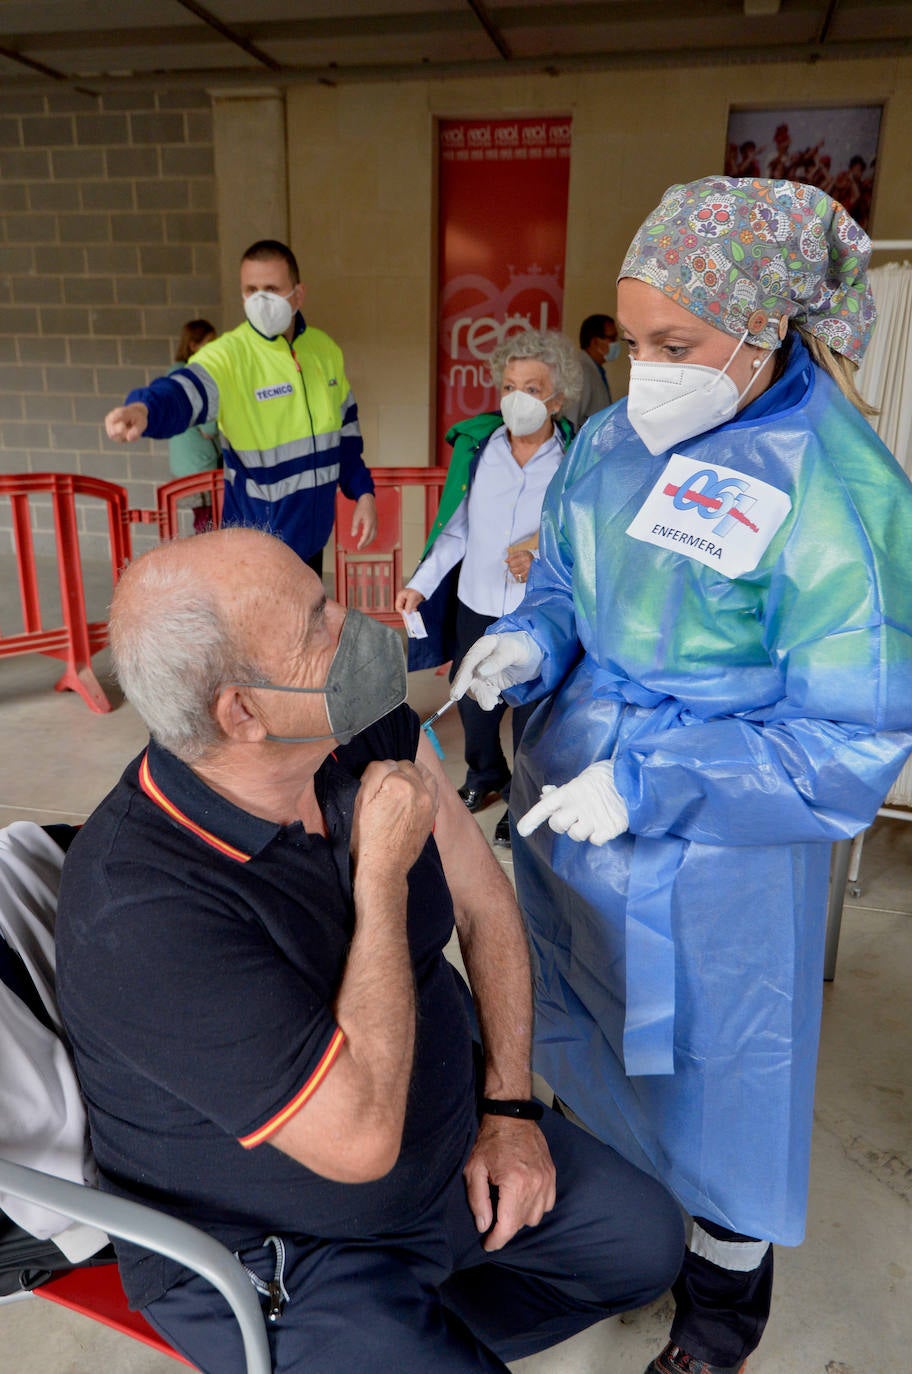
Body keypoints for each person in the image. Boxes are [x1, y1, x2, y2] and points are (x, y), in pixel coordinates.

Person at [450, 177, 912, 1374]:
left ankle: (717, 1325)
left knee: (716, 1092)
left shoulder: (840, 490)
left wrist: (652, 786)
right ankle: (620, 1241)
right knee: (579, 1038)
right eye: (633, 339)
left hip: (718, 853)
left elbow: (846, 739)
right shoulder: (613, 438)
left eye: (677, 345)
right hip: (570, 815)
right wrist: (530, 642)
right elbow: (564, 582)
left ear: (763, 334)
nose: (644, 370)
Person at [54, 527, 683, 1374]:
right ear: (241, 712)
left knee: (644, 1244)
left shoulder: (361, 724)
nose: (357, 624)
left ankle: (428, 1334)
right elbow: (357, 1144)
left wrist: (507, 1110)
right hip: (289, 1253)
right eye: (318, 625)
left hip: (452, 1144)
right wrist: (381, 876)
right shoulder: (140, 909)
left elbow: (484, 901)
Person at [395, 330, 581, 848]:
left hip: (536, 611)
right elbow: (455, 529)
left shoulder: (575, 459)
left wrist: (541, 553)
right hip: (476, 601)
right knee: (474, 702)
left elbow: (582, 533)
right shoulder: (480, 450)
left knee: (531, 713)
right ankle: (484, 777)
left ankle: (523, 797)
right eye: (509, 385)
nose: (518, 398)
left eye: (533, 387)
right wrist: (420, 585)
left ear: (557, 399)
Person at [103, 240, 377, 576]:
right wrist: (146, 410)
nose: (261, 300)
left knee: (305, 627)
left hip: (312, 542)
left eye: (272, 289)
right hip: (255, 551)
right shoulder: (229, 356)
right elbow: (184, 390)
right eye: (251, 289)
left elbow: (346, 432)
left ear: (298, 294)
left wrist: (363, 492)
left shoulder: (325, 351)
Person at [167, 318, 221, 534]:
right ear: (193, 345)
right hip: (201, 464)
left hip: (184, 465)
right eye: (210, 342)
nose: (215, 347)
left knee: (203, 519)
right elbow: (209, 429)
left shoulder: (174, 372)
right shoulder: (194, 374)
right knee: (207, 522)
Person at [563, 313, 619, 428]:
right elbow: (571, 418)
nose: (616, 343)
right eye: (612, 338)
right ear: (594, 342)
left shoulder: (594, 370)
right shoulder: (581, 371)